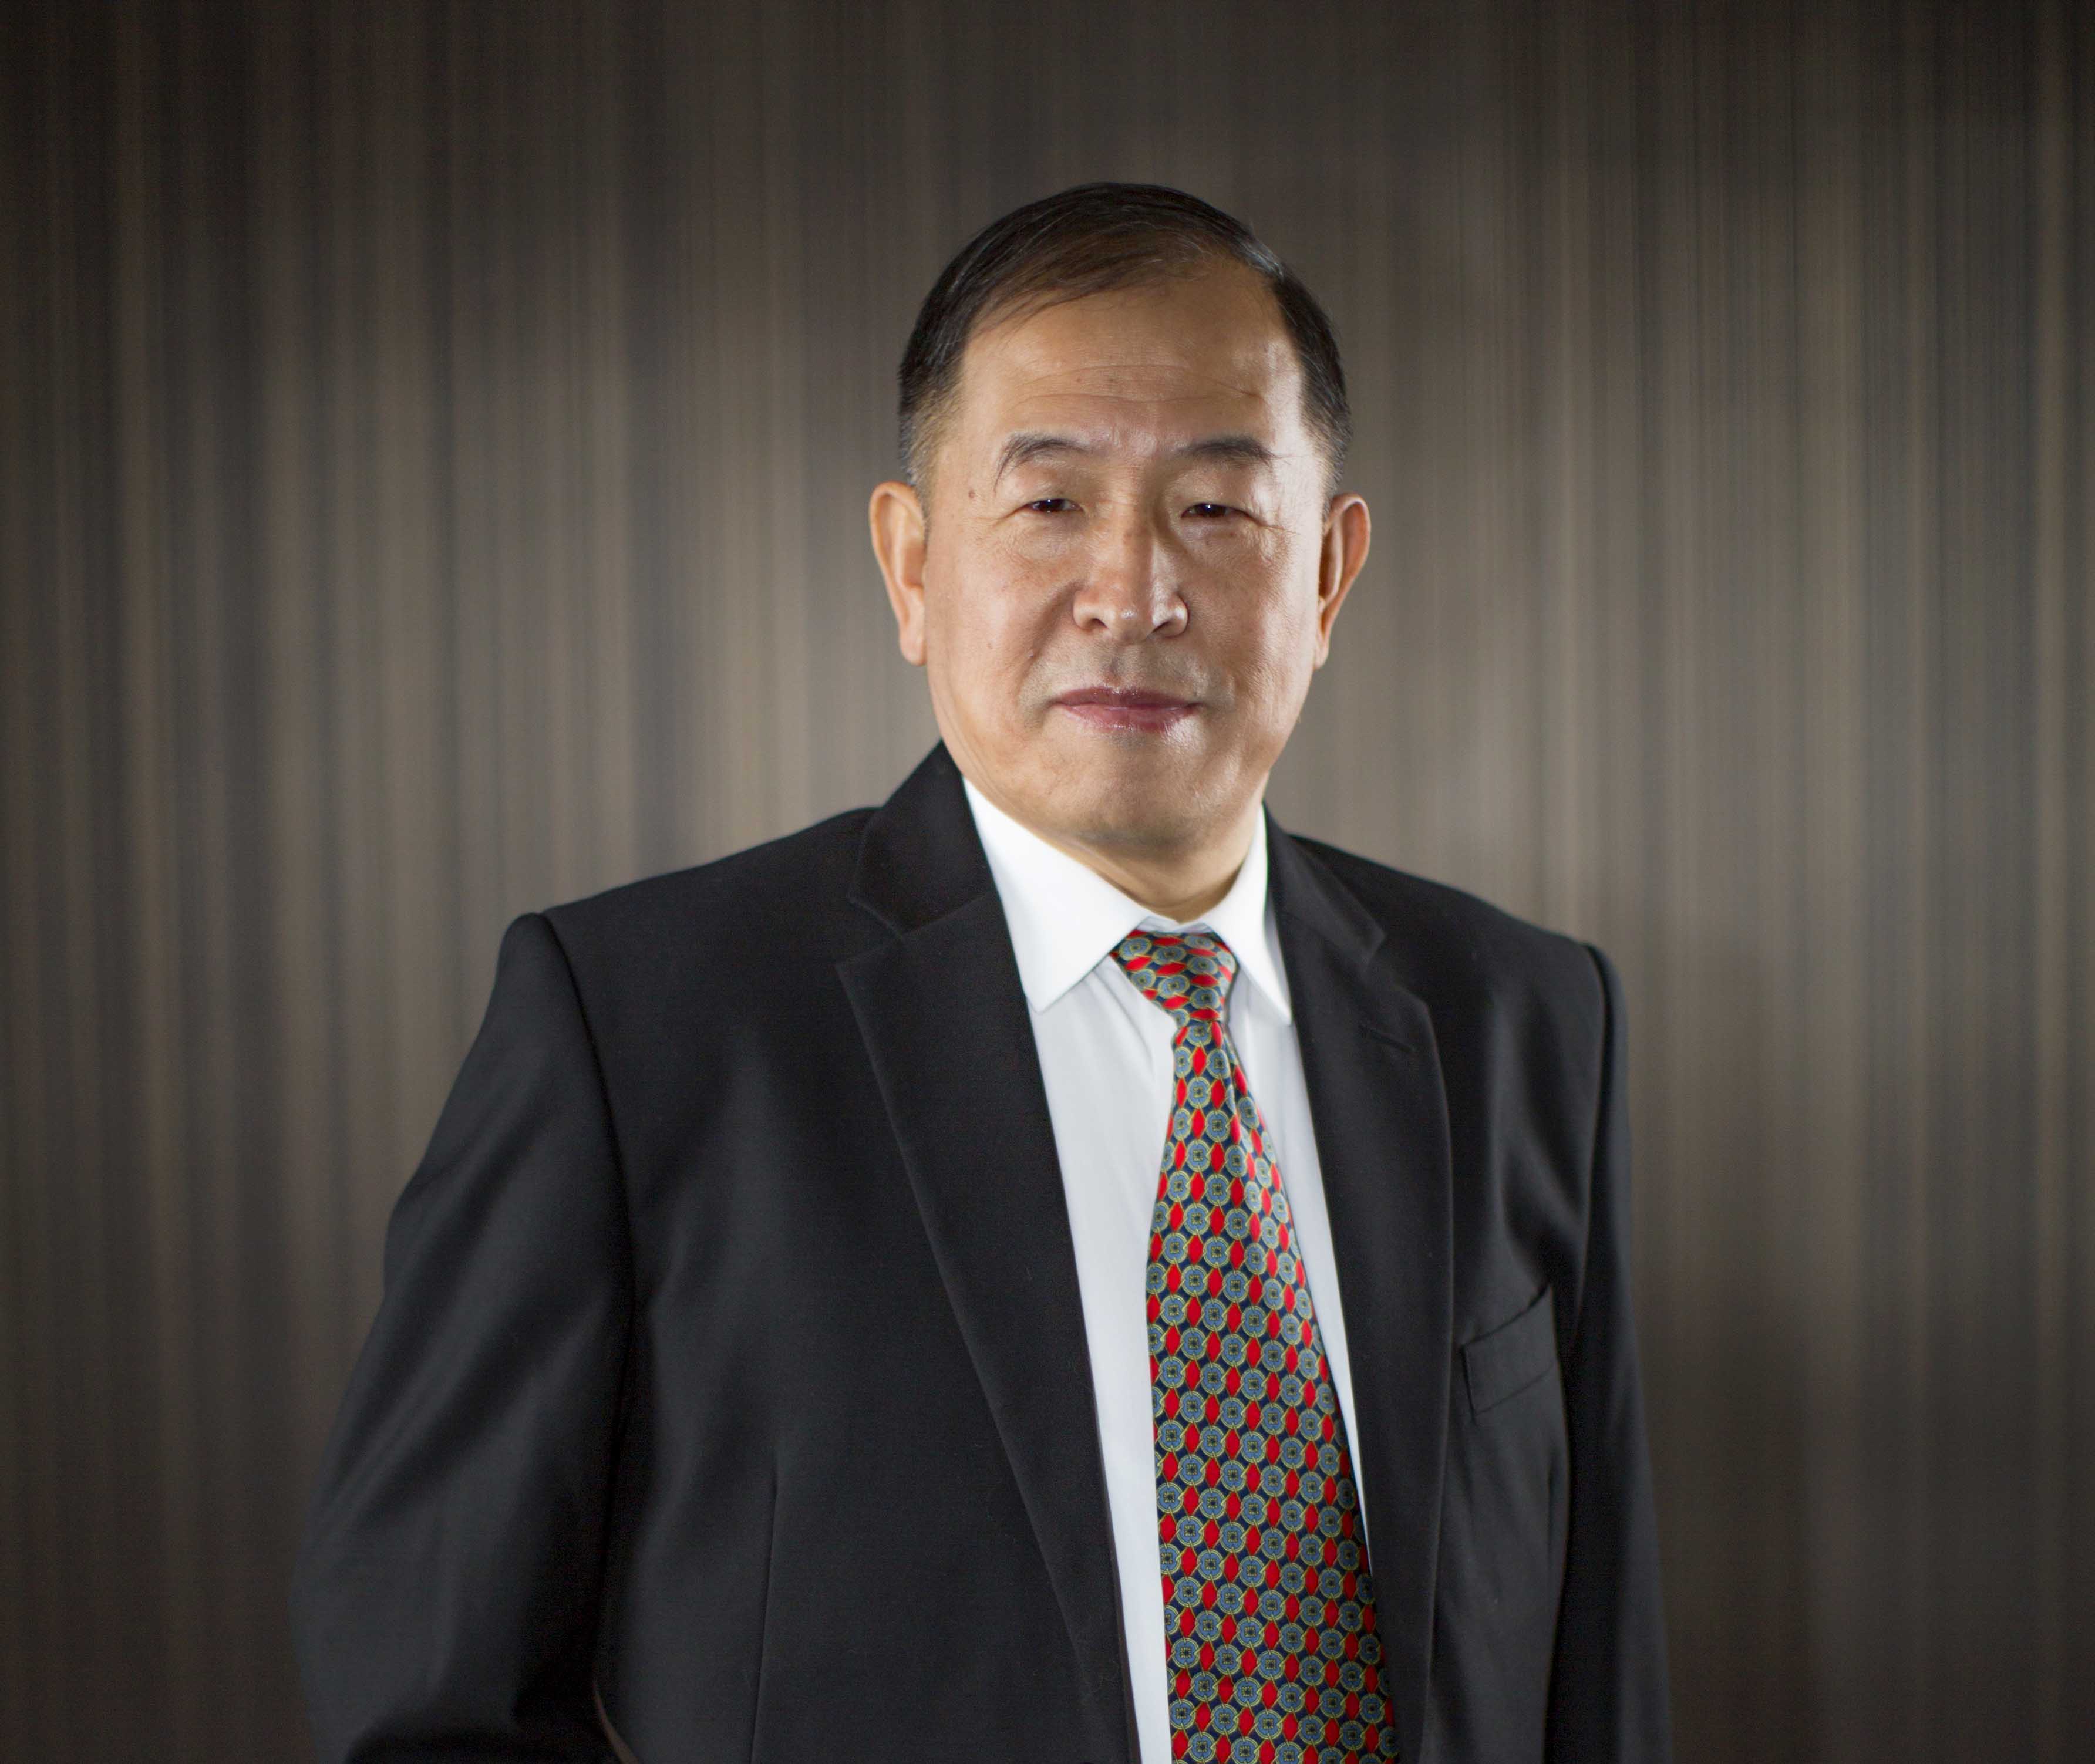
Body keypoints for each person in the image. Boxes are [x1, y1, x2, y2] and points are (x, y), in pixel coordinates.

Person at [292, 181, 1672, 1764]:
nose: (1135, 593)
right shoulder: (638, 1032)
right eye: (1052, 502)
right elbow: (429, 1697)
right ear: (912, 566)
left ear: (1328, 577)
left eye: (1217, 509)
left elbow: (1596, 1683)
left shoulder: (1524, 1023)